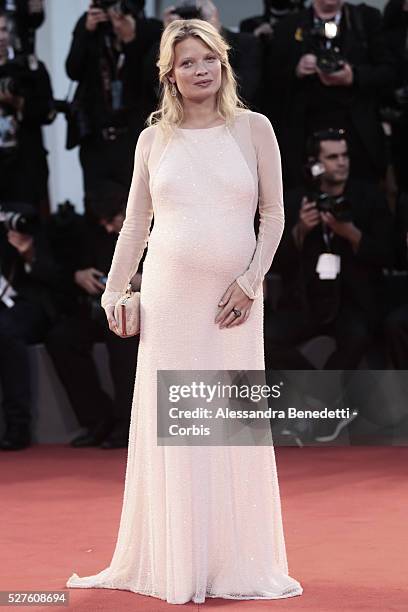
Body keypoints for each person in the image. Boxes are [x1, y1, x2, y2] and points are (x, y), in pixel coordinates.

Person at [66, 18, 303, 604]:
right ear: (169, 74)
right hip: (169, 300)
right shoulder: (154, 140)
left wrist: (251, 283)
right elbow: (135, 228)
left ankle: (231, 561)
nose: (201, 69)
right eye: (187, 61)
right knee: (176, 427)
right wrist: (114, 292)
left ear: (223, 64)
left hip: (234, 302)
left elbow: (273, 215)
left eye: (209, 59)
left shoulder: (254, 128)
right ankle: (177, 560)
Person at [46, 185, 140, 449]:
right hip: (95, 309)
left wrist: (138, 281)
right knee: (61, 338)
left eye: (114, 220)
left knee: (122, 336)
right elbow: (63, 269)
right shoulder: (92, 233)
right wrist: (78, 275)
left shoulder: (154, 230)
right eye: (105, 223)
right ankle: (98, 419)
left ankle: (127, 423)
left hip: (136, 309)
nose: (110, 228)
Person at [269, 0, 395, 188]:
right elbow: (269, 82)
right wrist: (297, 69)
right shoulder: (288, 27)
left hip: (358, 135)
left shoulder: (366, 20)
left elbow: (391, 72)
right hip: (304, 136)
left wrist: (354, 76)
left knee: (361, 200)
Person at [65, 1, 162, 196]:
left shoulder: (149, 29)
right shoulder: (91, 26)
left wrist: (131, 41)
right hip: (96, 138)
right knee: (100, 208)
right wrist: (85, 33)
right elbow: (73, 70)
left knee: (138, 202)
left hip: (134, 138)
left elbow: (148, 80)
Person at [0, 203, 63, 451]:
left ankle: (18, 426)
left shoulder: (18, 220)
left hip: (25, 305)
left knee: (6, 332)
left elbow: (54, 275)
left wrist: (28, 252)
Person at [0, 8, 54, 215]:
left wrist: (19, 102)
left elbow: (47, 111)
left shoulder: (30, 68)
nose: (1, 37)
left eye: (4, 29)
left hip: (25, 171)